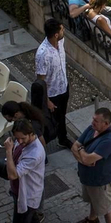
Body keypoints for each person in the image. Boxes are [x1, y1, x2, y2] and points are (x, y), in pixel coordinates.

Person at [71, 107, 111, 223]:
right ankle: (92, 219)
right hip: (88, 178)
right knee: (93, 199)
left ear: (106, 123)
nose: (92, 122)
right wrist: (83, 156)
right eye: (93, 119)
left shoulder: (109, 140)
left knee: (107, 208)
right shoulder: (91, 129)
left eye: (96, 121)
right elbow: (74, 146)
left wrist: (82, 154)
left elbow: (85, 157)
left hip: (101, 181)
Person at [4, 118, 46, 223]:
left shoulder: (34, 153)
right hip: (21, 192)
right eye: (17, 138)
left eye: (23, 138)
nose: (19, 141)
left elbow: (13, 174)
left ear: (31, 134)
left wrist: (8, 151)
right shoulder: (23, 144)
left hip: (27, 197)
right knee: (33, 221)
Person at [35, 18, 72, 148]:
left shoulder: (60, 42)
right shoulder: (43, 54)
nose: (64, 31)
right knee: (50, 122)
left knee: (62, 117)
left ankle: (63, 138)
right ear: (56, 34)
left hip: (63, 88)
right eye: (62, 29)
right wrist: (47, 100)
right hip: (52, 95)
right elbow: (40, 81)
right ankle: (40, 145)